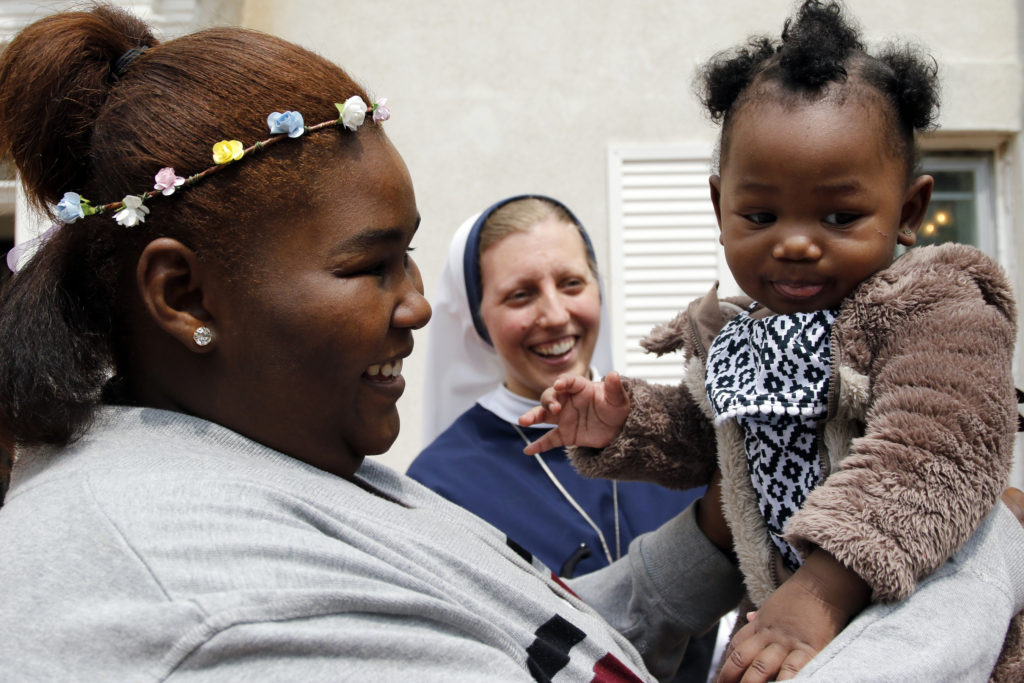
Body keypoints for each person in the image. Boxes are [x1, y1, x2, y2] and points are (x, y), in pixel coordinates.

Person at [0, 5, 1021, 682]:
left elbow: (540, 633)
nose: (416, 306)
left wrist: (713, 536)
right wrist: (987, 552)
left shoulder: (300, 464)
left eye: (572, 281)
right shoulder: (179, 590)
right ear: (182, 291)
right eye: (370, 265)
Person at [520, 1, 1023, 681]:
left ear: (908, 212)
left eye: (840, 215)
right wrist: (624, 423)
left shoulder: (936, 307)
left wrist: (818, 592)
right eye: (760, 214)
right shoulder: (741, 335)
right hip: (804, 628)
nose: (793, 241)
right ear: (718, 207)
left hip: (946, 619)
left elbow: (934, 451)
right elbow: (723, 443)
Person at [407, 196, 716, 680]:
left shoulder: (678, 428)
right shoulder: (438, 486)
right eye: (520, 295)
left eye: (571, 283)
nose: (554, 314)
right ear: (478, 318)